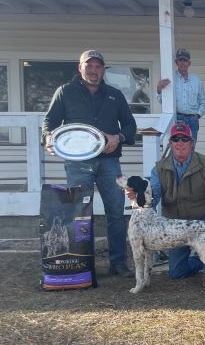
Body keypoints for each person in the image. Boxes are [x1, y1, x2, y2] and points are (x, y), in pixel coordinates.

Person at [42, 49, 137, 277]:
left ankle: (118, 263)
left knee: (115, 212)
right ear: (80, 67)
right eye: (89, 66)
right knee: (79, 213)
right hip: (78, 163)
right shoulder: (65, 92)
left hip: (109, 162)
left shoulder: (115, 94)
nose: (93, 71)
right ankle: (82, 263)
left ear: (103, 69)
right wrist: (48, 138)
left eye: (98, 66)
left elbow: (130, 126)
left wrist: (118, 138)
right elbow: (50, 122)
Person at [145, 122, 205, 286]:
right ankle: (203, 259)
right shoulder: (158, 169)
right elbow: (153, 197)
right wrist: (139, 199)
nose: (180, 143)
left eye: (185, 139)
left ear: (192, 143)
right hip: (177, 226)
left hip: (203, 219)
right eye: (176, 139)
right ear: (170, 143)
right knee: (176, 273)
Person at [157, 48, 205, 140]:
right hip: (177, 118)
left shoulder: (197, 80)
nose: (182, 63)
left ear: (189, 63)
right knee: (178, 147)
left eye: (185, 60)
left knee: (191, 146)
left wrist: (197, 115)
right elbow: (162, 101)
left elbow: (203, 101)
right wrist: (159, 89)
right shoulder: (170, 78)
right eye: (180, 60)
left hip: (192, 119)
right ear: (176, 62)